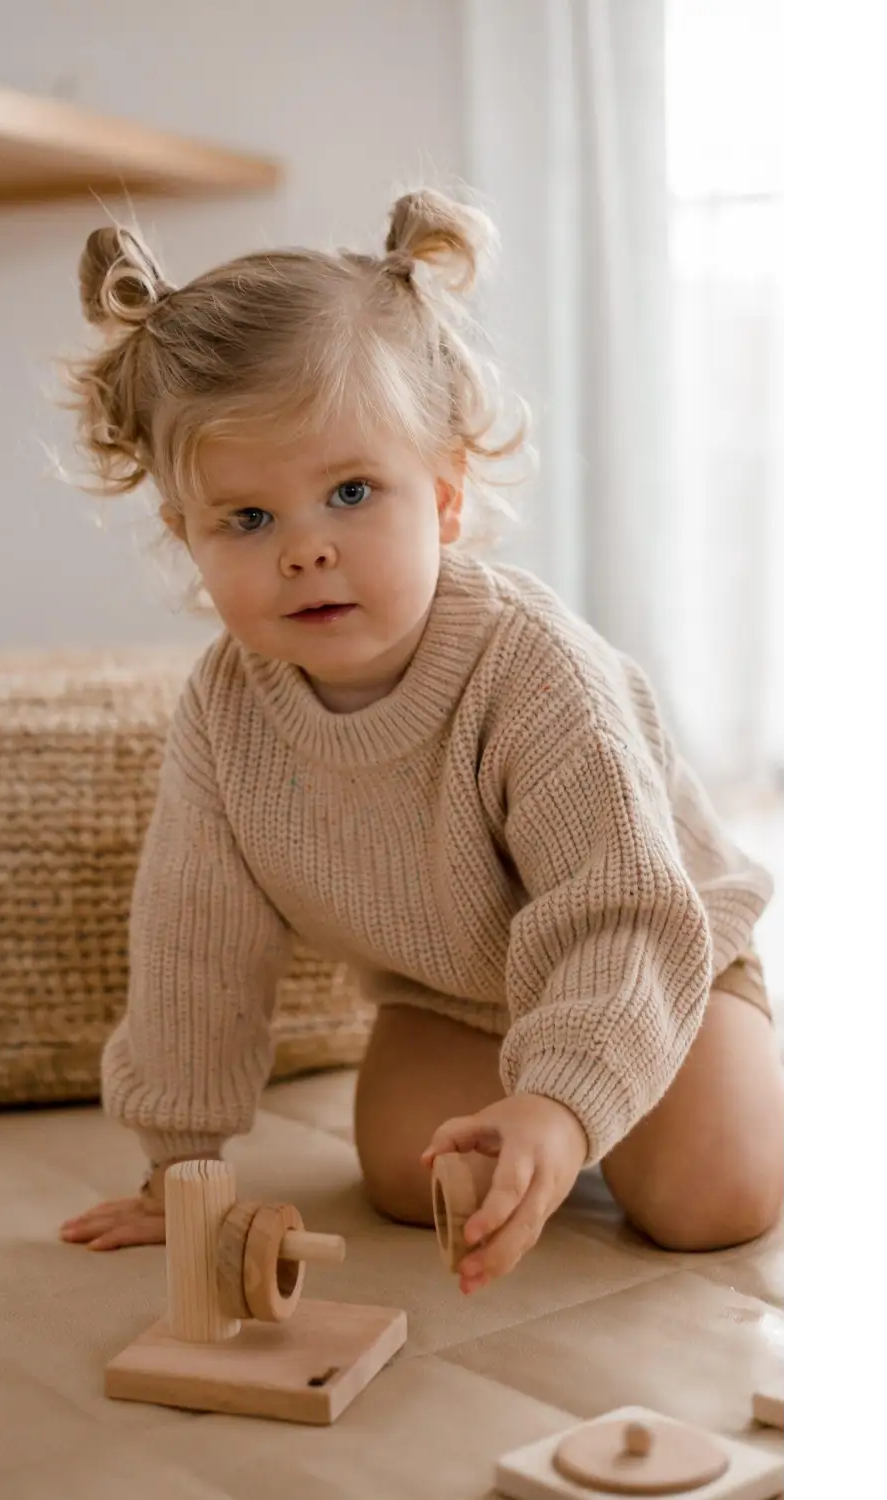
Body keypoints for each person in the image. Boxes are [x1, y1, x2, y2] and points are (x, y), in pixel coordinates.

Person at [57, 189, 784, 1295]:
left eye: (351, 493)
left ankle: (670, 1089)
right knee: (407, 1176)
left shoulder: (533, 669)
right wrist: (182, 1162)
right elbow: (193, 938)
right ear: (186, 534)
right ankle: (560, 1107)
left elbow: (620, 906)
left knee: (707, 1204)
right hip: (455, 990)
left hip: (655, 959)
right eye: (246, 519)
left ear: (443, 497)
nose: (305, 551)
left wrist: (562, 1099)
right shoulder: (225, 709)